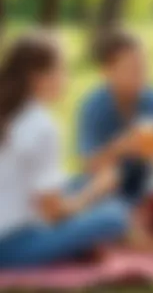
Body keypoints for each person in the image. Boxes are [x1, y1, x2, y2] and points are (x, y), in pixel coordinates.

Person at [0, 33, 127, 269]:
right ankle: (75, 245)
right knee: (115, 214)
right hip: (11, 246)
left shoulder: (8, 113)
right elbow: (53, 212)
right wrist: (95, 191)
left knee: (80, 182)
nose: (66, 78)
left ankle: (76, 243)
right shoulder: (43, 126)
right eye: (61, 70)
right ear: (37, 78)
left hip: (14, 222)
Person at [78, 28, 153, 204]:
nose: (141, 74)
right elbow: (88, 167)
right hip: (110, 193)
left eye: (143, 66)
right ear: (108, 72)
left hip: (150, 187)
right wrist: (120, 148)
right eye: (131, 68)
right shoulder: (94, 106)